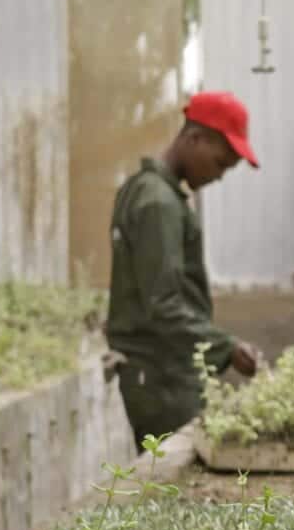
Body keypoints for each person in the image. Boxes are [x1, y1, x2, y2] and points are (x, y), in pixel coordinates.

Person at [106, 91, 263, 445]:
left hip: (160, 372)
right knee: (181, 486)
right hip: (163, 376)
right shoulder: (158, 205)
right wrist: (227, 347)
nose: (219, 176)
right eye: (220, 163)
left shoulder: (145, 191)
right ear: (194, 138)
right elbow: (162, 304)